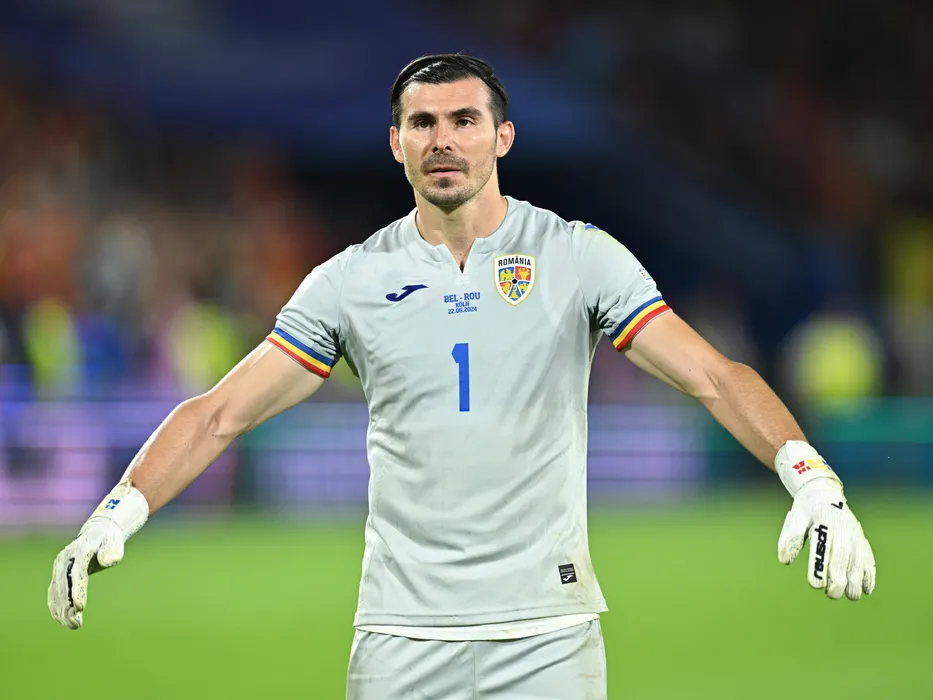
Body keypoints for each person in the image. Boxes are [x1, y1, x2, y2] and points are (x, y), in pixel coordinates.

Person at [48, 54, 876, 699]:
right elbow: (218, 413)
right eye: (422, 122)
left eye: (463, 120)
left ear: (501, 137)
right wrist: (115, 513)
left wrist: (811, 478)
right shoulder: (349, 281)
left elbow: (713, 376)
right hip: (400, 638)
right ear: (396, 143)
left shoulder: (576, 256)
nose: (442, 139)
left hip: (547, 635)